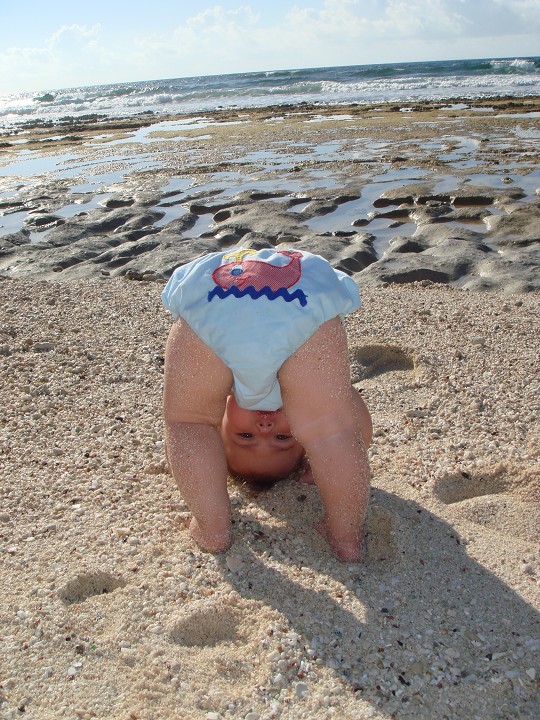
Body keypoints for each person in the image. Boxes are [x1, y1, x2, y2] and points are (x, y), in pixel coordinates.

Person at [162, 248, 372, 562]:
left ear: (219, 432)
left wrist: (333, 442)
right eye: (282, 438)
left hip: (213, 300)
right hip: (301, 302)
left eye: (245, 436)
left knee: (189, 422)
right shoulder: (307, 400)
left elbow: (187, 429)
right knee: (331, 432)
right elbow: (351, 426)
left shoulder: (222, 393)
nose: (264, 426)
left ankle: (212, 528)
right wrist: (334, 449)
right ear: (303, 445)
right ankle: (346, 536)